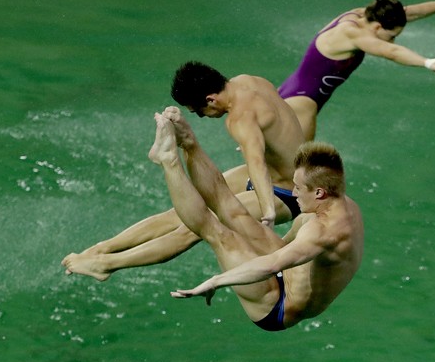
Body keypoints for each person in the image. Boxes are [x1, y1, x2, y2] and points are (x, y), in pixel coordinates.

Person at [62, 61, 304, 281]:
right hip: (280, 172)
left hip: (286, 192)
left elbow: (256, 163)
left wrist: (268, 210)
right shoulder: (250, 80)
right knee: (182, 211)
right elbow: (278, 119)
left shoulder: (239, 119)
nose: (202, 116)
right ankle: (101, 248)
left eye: (198, 111)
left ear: (211, 99)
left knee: (194, 227)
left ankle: (106, 264)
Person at [149, 107, 363, 331]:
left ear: (319, 192)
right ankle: (188, 141)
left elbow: (272, 264)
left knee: (216, 231)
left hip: (279, 305)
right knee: (230, 208)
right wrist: (266, 239)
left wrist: (216, 281)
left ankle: (168, 159)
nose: (294, 193)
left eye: (298, 188)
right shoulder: (341, 203)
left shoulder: (324, 231)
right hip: (288, 269)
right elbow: (289, 246)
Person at [279, 0, 435, 140]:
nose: (393, 40)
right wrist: (427, 63)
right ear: (377, 28)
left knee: (280, 170)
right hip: (300, 105)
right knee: (291, 174)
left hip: (292, 94)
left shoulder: (362, 15)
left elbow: (408, 13)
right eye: (392, 35)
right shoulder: (351, 33)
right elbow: (391, 52)